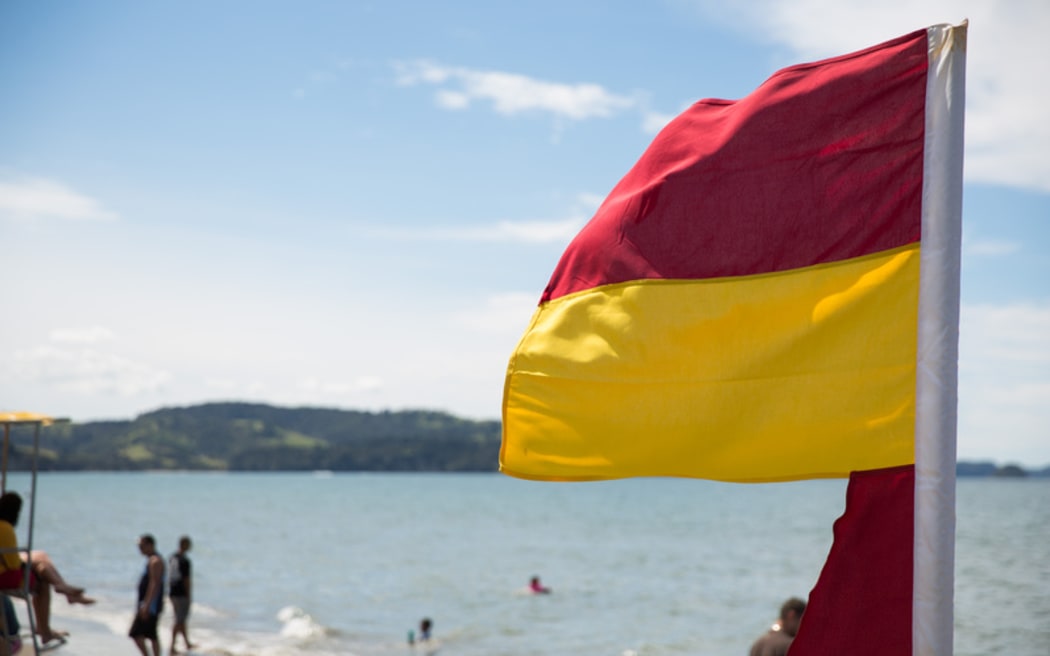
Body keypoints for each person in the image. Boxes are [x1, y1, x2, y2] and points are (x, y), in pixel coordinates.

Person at [0, 491, 95, 648]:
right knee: (41, 579)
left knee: (40, 557)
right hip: (7, 576)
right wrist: (25, 562)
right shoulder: (5, 527)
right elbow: (12, 564)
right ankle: (46, 627)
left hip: (5, 572)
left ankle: (61, 588)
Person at [130, 534, 166, 656]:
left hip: (151, 605)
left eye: (141, 546)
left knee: (136, 633)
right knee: (151, 634)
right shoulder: (151, 560)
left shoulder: (155, 561)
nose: (140, 549)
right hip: (149, 604)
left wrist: (147, 605)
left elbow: (154, 583)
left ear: (150, 545)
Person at [168, 536, 196, 655]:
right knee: (179, 620)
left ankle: (186, 643)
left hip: (173, 591)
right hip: (181, 593)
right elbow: (186, 579)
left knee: (180, 619)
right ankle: (172, 646)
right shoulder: (185, 561)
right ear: (184, 544)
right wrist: (189, 595)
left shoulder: (172, 557)